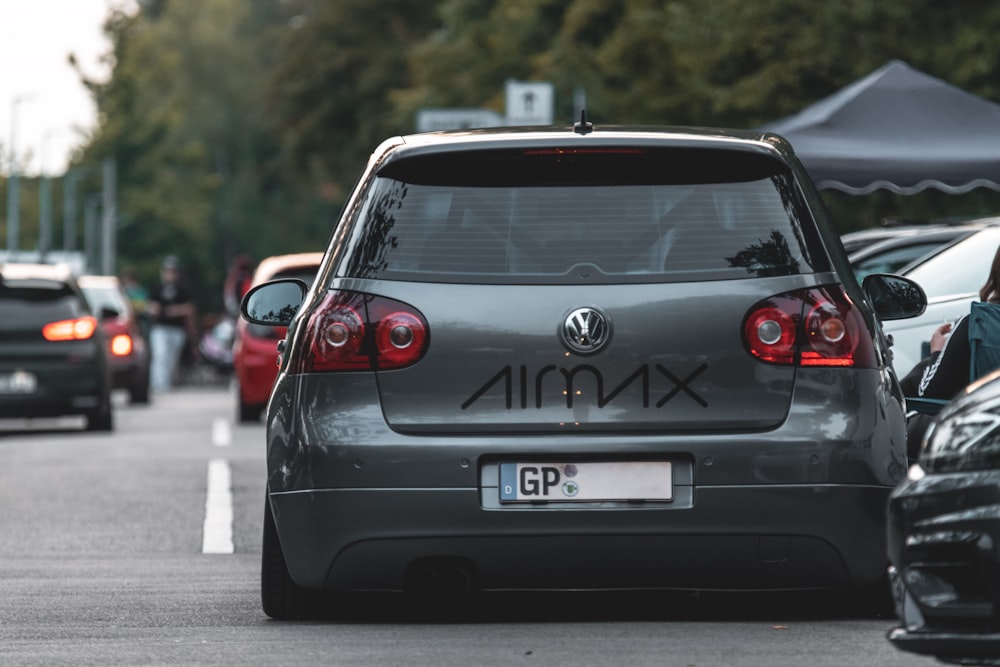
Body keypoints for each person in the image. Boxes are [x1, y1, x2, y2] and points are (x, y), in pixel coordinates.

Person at [900, 244, 1000, 456]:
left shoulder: (978, 324)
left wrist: (937, 352)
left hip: (983, 441)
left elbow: (929, 393)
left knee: (913, 406)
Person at [147, 255, 197, 392]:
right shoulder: (156, 288)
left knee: (171, 359)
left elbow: (189, 310)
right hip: (160, 328)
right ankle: (158, 385)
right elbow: (151, 307)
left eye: (172, 271)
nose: (170, 274)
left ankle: (167, 384)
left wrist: (175, 311)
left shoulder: (182, 289)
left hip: (177, 329)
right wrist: (153, 310)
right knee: (160, 355)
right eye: (167, 271)